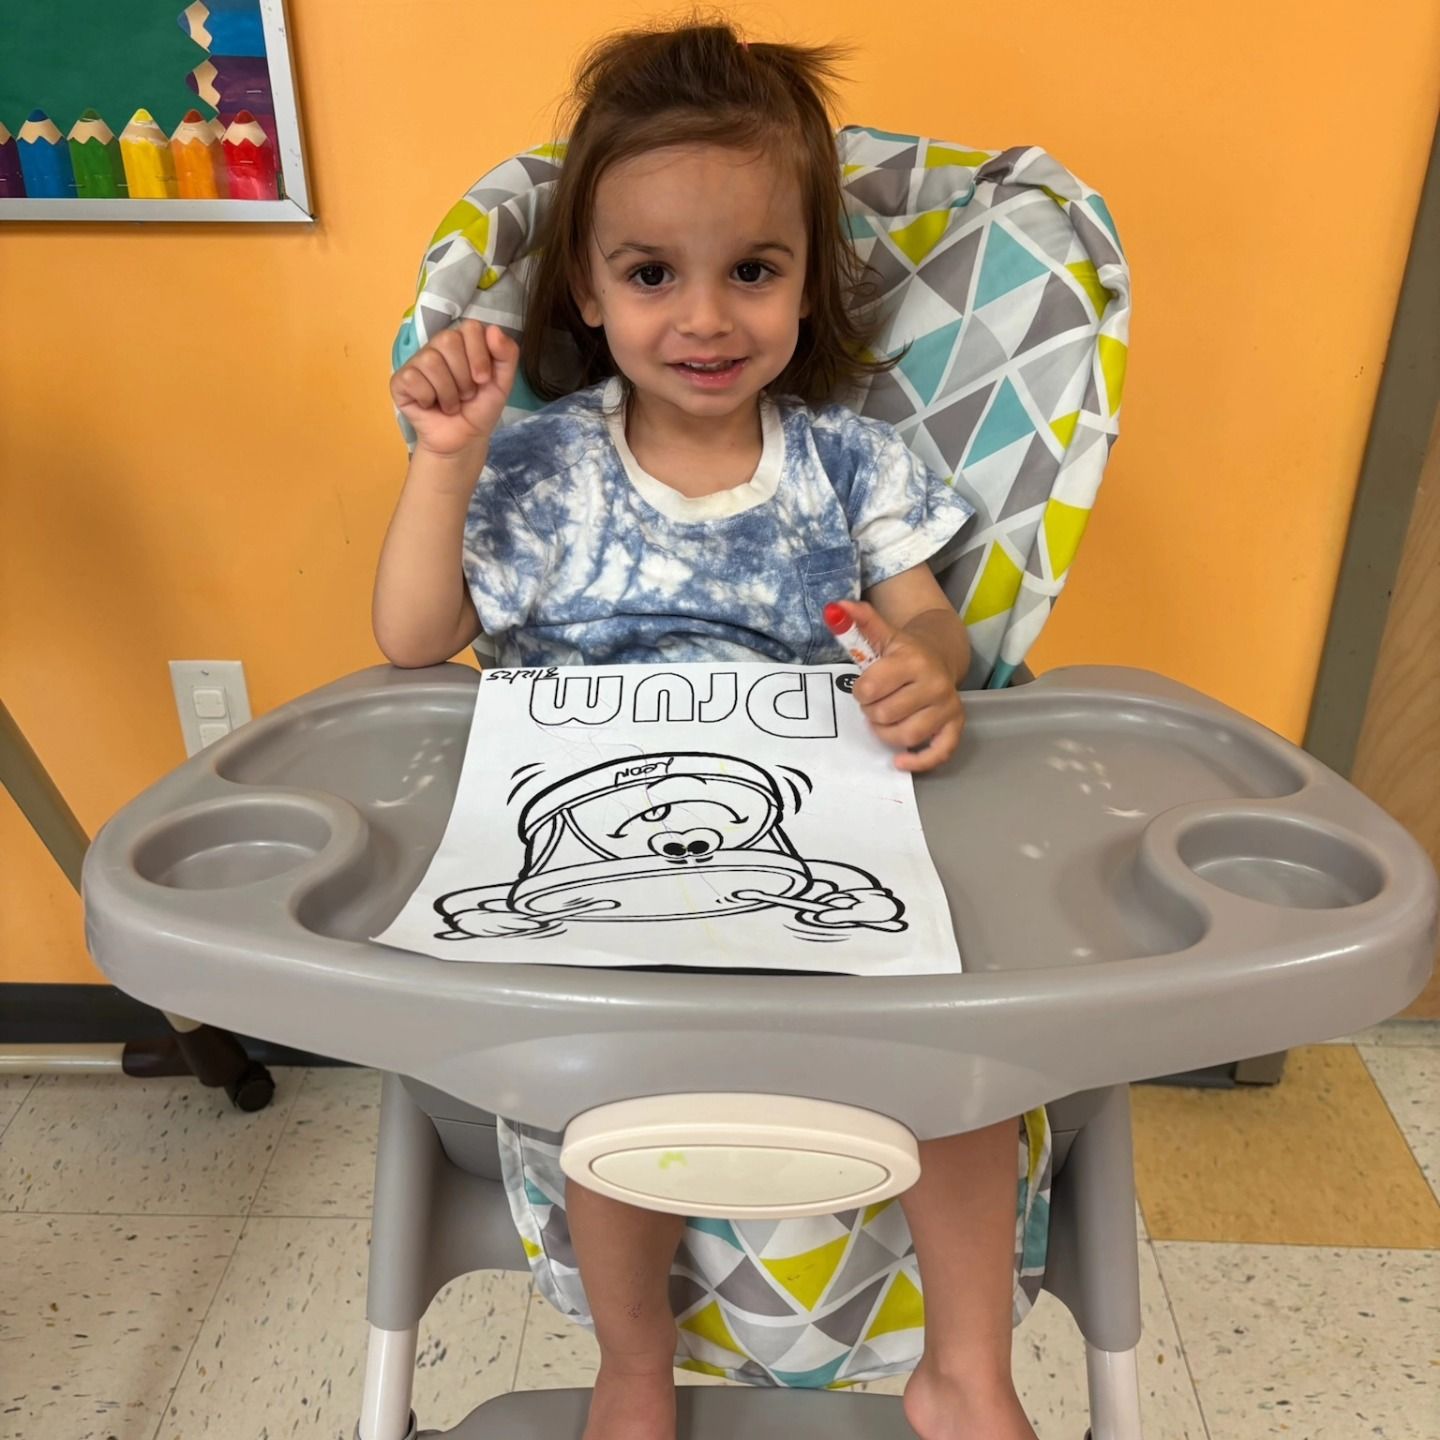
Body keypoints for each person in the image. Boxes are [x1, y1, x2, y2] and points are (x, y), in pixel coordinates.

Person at [373, 21, 1035, 1440]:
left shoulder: (848, 457)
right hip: (600, 876)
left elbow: (930, 625)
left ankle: (965, 1368)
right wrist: (447, 466)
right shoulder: (540, 466)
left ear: (811, 279)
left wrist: (922, 667)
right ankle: (632, 1360)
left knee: (973, 1057)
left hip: (817, 836)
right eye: (652, 274)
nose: (708, 319)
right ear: (588, 293)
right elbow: (414, 640)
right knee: (620, 1077)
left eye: (755, 270)